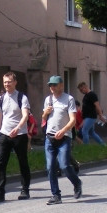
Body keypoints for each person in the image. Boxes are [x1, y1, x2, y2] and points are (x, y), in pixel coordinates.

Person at [0, 72, 31, 202]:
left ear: (15, 82)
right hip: (4, 134)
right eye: (5, 82)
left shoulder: (22, 97)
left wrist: (18, 128)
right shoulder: (1, 99)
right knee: (0, 163)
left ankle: (25, 189)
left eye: (9, 82)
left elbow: (25, 115)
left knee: (22, 162)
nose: (7, 84)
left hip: (19, 135)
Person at [41, 76, 82, 204]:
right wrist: (45, 113)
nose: (51, 87)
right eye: (50, 85)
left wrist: (63, 131)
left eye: (54, 85)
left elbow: (73, 120)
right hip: (50, 138)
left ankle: (77, 183)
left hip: (64, 138)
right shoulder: (48, 99)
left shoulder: (68, 99)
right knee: (50, 167)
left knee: (64, 165)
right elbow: (43, 118)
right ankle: (56, 195)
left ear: (61, 85)